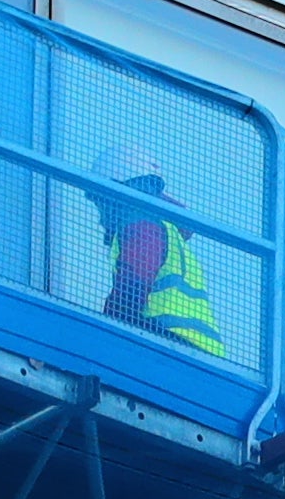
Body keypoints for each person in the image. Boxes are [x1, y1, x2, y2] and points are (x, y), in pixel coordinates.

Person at [95, 146, 223, 358]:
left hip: (168, 344)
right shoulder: (167, 231)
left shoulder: (143, 226)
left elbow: (131, 288)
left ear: (115, 192)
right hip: (197, 356)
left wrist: (101, 339)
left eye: (100, 201)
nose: (100, 216)